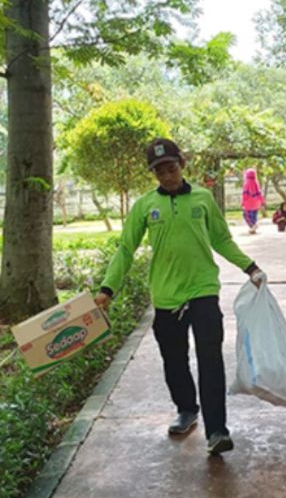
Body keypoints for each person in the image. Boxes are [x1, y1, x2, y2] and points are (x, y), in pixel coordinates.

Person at [95, 137, 266, 457]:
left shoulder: (202, 199)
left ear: (182, 165)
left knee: (210, 361)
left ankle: (217, 430)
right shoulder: (145, 205)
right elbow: (126, 249)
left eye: (171, 167)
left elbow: (222, 240)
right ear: (154, 173)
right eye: (159, 171)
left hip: (203, 291)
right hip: (165, 297)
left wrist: (250, 267)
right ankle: (187, 409)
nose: (167, 175)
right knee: (174, 361)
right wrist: (107, 289)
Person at [241, 168, 265, 234]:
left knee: (246, 215)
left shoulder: (246, 183)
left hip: (248, 204)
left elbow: (244, 194)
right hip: (256, 203)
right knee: (254, 215)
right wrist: (262, 201)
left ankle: (252, 226)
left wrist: (242, 203)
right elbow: (260, 193)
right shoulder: (256, 183)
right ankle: (253, 228)